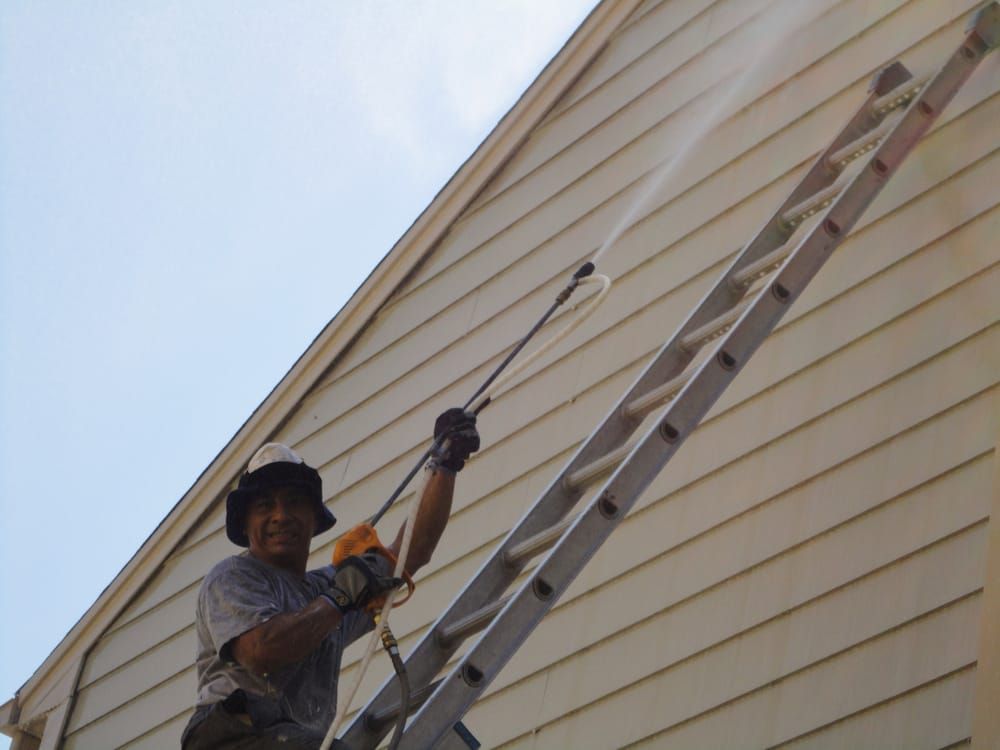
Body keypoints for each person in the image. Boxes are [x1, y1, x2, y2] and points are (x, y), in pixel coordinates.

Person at [181, 408, 480, 749]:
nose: (280, 515)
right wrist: (339, 598)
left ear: (313, 519)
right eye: (265, 506)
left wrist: (445, 464)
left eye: (293, 502)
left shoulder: (331, 586)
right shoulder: (234, 576)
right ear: (246, 525)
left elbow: (413, 551)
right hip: (231, 737)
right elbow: (262, 650)